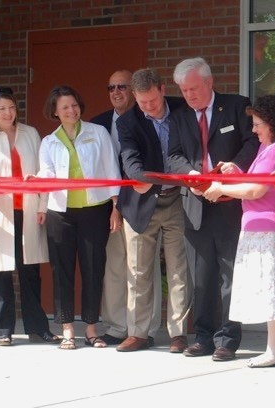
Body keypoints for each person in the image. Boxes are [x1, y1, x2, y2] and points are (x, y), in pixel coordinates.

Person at [203, 94, 275, 367]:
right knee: (271, 289)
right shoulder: (270, 148)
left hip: (271, 228)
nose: (253, 129)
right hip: (264, 226)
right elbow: (254, 183)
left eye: (258, 124)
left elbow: (256, 189)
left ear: (273, 124)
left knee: (273, 290)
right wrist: (234, 174)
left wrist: (221, 189)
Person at [168, 57, 259, 361]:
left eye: (193, 88)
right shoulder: (180, 118)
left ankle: (228, 339)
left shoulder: (236, 105)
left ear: (209, 82)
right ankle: (203, 337)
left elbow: (253, 142)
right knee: (202, 277)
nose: (189, 95)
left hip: (230, 203)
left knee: (230, 275)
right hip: (195, 205)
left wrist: (237, 165)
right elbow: (173, 156)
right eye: (183, 90)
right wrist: (189, 175)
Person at [0, 87, 58, 346]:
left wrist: (43, 206)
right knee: (0, 272)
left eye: (11, 107)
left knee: (30, 271)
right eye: (1, 109)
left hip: (27, 210)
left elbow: (44, 171)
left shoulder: (30, 133)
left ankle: (37, 328)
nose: (8, 113)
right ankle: (3, 330)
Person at [38, 85, 121, 350]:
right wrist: (34, 179)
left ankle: (92, 328)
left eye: (74, 105)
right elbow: (47, 174)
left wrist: (116, 208)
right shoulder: (48, 141)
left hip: (95, 211)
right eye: (65, 107)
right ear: (55, 111)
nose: (71, 110)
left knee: (93, 269)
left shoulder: (98, 133)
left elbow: (111, 170)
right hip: (59, 213)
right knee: (61, 271)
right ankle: (67, 329)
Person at [115, 68, 191, 353]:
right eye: (142, 102)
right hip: (139, 204)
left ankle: (178, 333)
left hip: (177, 200)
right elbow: (130, 162)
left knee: (178, 269)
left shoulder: (183, 109)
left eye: (153, 101)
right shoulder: (127, 122)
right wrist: (144, 179)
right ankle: (138, 333)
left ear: (161, 89)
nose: (148, 107)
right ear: (134, 96)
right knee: (138, 270)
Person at [90, 69, 162, 346]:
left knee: (142, 267)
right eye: (111, 87)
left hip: (142, 202)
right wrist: (113, 203)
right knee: (115, 266)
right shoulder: (97, 125)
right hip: (110, 205)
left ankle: (145, 327)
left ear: (132, 91)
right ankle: (117, 325)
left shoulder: (147, 119)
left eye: (122, 86)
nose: (116, 92)